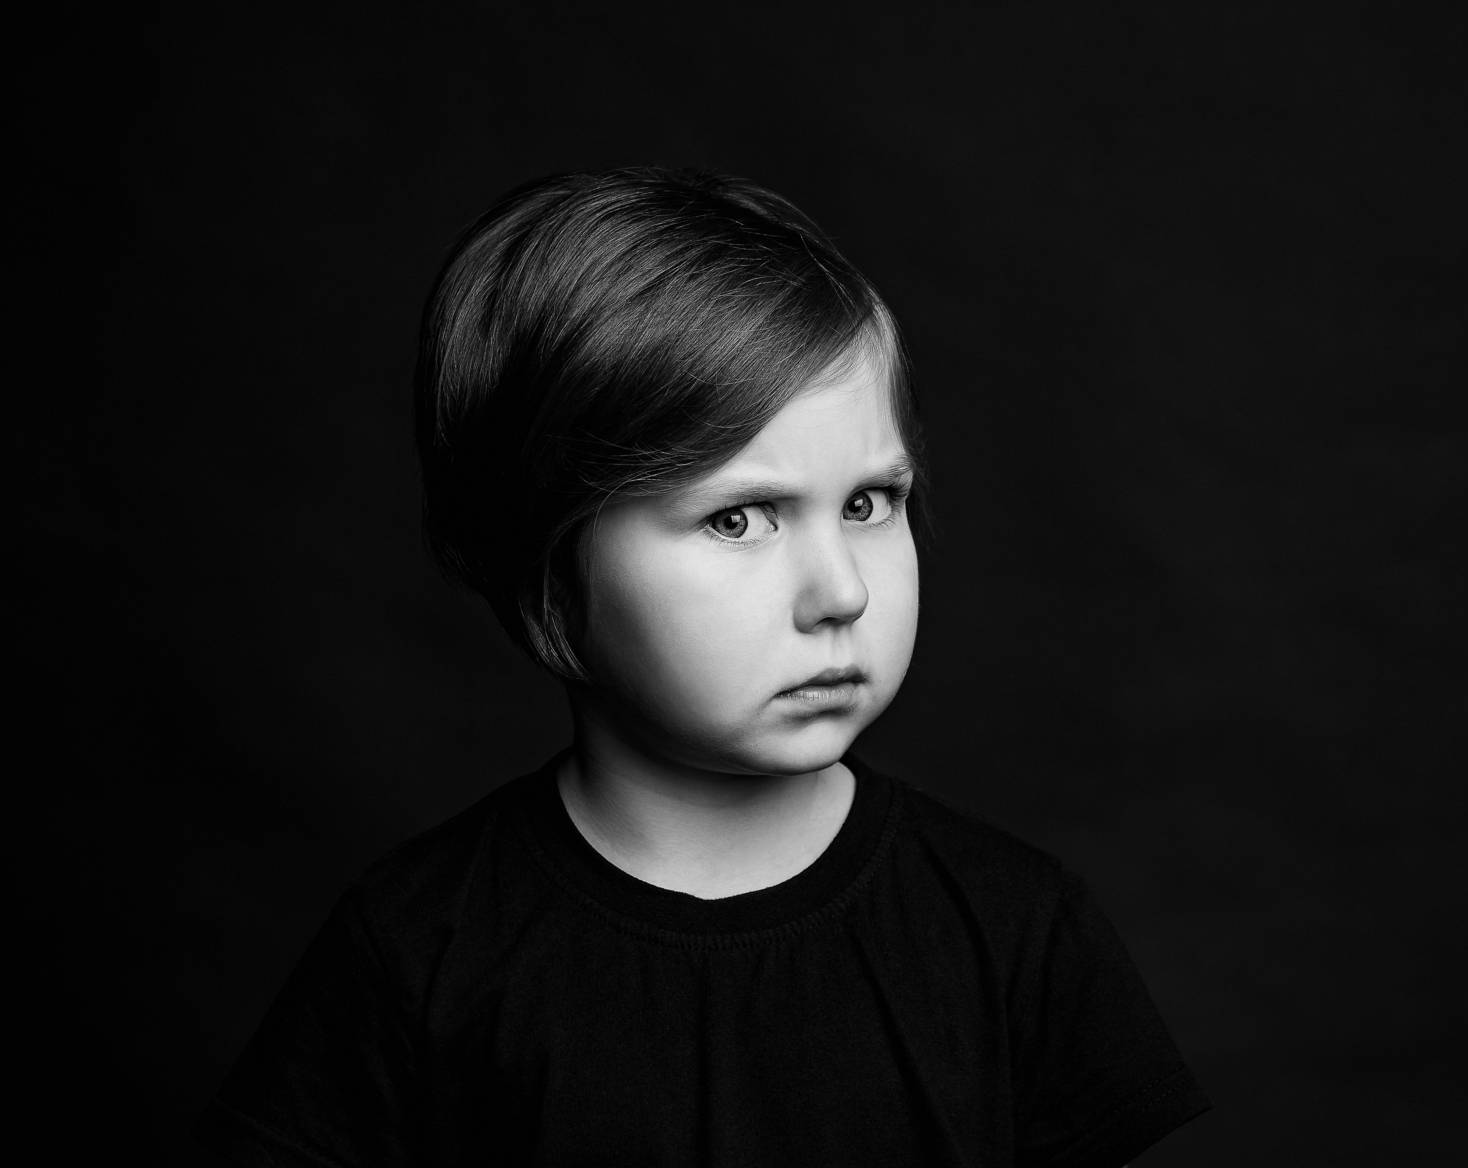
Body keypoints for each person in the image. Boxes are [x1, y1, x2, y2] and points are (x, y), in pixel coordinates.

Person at [195, 166, 1210, 1166]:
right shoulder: (418, 952)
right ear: (548, 566)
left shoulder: (1014, 930)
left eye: (869, 504)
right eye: (738, 518)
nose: (841, 592)